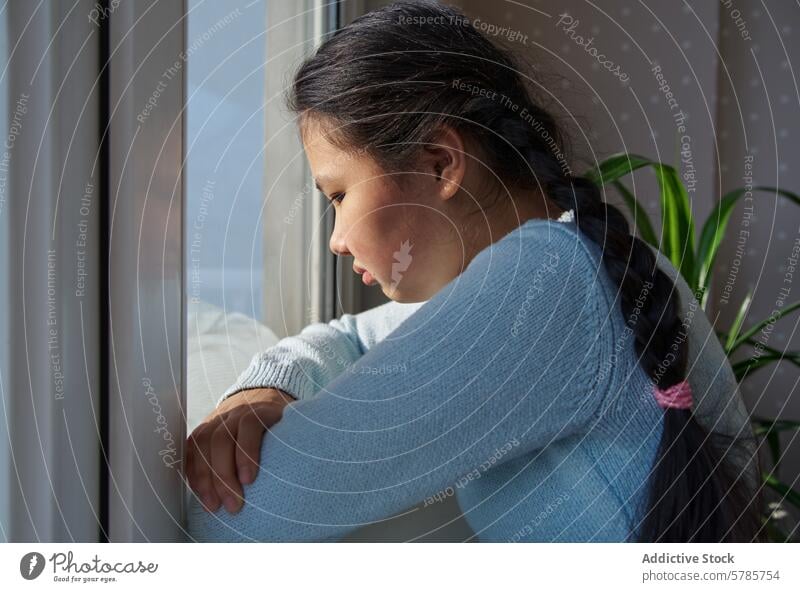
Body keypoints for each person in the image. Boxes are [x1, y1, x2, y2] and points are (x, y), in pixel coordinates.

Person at [185, 1, 763, 542]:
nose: (335, 240)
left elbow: (238, 514)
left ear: (441, 164)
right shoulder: (572, 259)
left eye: (338, 194)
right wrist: (270, 383)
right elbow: (353, 336)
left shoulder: (542, 286)